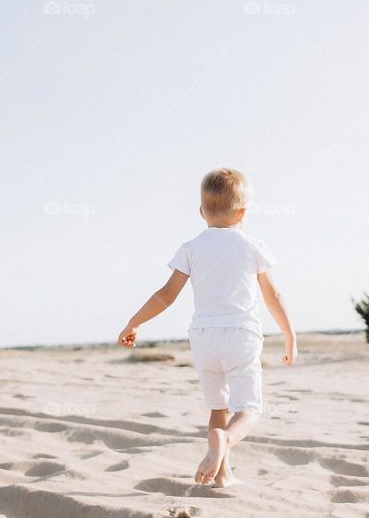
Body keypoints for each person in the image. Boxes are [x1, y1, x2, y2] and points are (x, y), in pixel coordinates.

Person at [118, 167, 297, 487]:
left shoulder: (191, 248)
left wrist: (134, 322)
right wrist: (289, 335)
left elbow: (166, 295)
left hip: (202, 337)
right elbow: (273, 295)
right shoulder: (252, 246)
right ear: (244, 212)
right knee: (250, 409)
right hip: (241, 334)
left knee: (218, 406)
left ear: (201, 212)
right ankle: (226, 441)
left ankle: (223, 475)